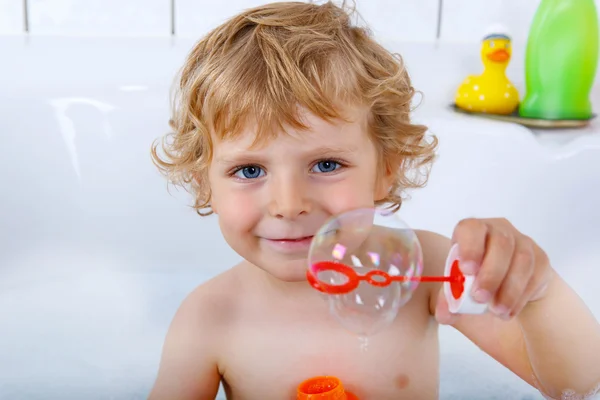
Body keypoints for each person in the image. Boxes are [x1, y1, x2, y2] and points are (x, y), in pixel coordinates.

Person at [148, 2, 600, 399]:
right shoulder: (209, 318)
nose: (288, 204)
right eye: (249, 171)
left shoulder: (428, 269)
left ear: (388, 167)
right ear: (204, 183)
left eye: (325, 164)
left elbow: (574, 386)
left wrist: (538, 292)